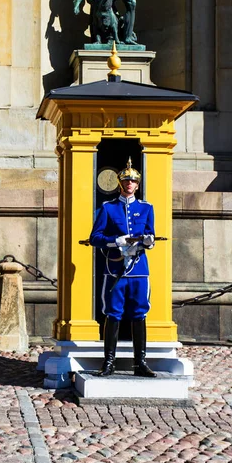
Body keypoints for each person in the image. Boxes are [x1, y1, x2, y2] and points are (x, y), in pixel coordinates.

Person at [89, 158, 157, 378]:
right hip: (115, 269)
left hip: (138, 269)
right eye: (126, 180)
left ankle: (141, 363)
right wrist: (116, 241)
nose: (129, 184)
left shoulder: (146, 208)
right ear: (120, 183)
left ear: (138, 185)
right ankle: (109, 362)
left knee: (139, 314)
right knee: (113, 313)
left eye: (133, 181)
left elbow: (151, 234)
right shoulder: (108, 208)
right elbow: (95, 238)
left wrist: (148, 241)